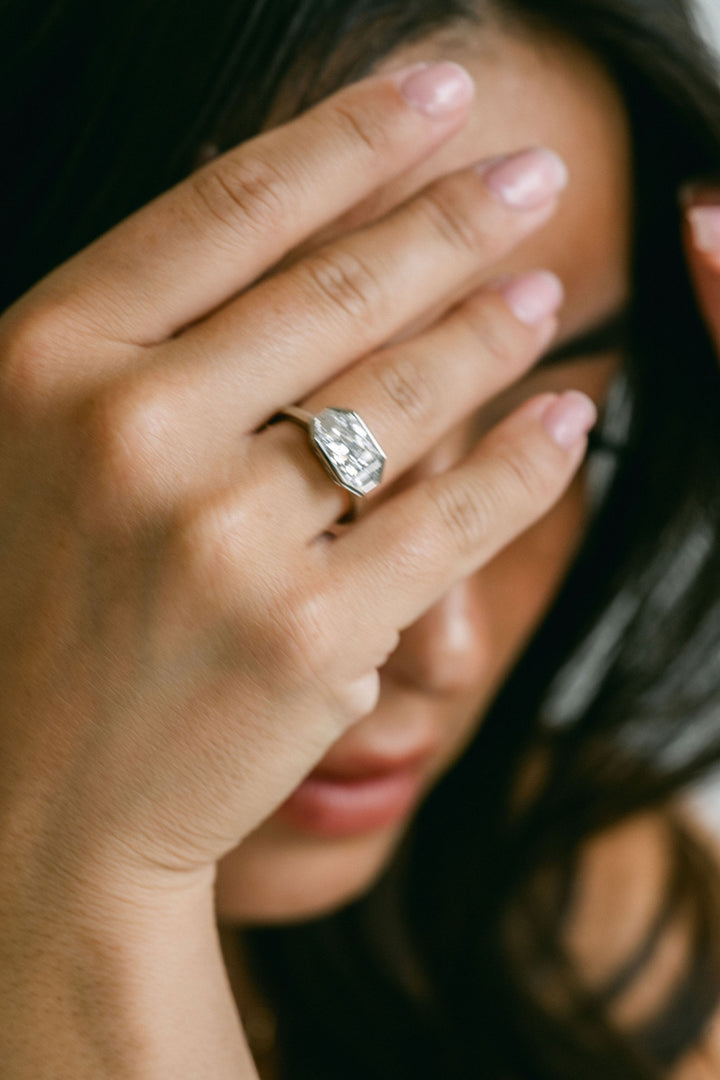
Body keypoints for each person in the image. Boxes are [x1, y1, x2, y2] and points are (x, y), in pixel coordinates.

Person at [3, 0, 720, 1076]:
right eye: (263, 429)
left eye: (562, 433)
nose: (443, 647)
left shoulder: (580, 924)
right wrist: (82, 886)